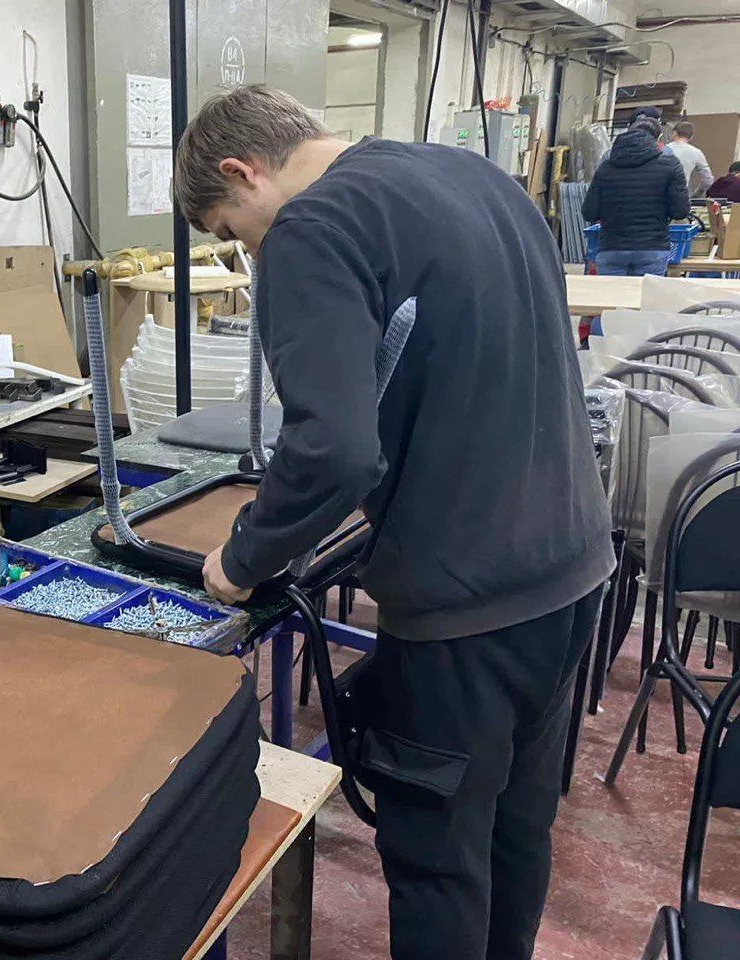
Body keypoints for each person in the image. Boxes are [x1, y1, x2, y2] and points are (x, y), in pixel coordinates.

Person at [174, 84, 613, 960]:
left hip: (466, 609)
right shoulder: (477, 178)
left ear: (243, 171)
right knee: (514, 830)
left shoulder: (310, 227)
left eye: (233, 232)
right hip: (571, 570)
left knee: (438, 861)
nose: (249, 254)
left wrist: (245, 557)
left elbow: (334, 450)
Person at [582, 117, 690, 276]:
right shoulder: (670, 165)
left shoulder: (606, 168)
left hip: (612, 247)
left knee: (611, 292)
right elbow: (680, 211)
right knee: (646, 292)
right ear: (658, 138)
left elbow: (589, 212)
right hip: (652, 247)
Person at [666, 121, 714, 196]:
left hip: (660, 193)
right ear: (691, 137)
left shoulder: (663, 149)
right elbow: (708, 180)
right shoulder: (696, 152)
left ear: (674, 133)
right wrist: (697, 194)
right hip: (681, 193)